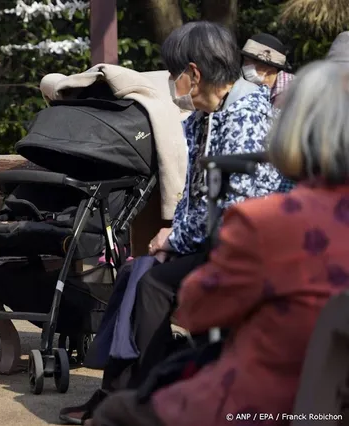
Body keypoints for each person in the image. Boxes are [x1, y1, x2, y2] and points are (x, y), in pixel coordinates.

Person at [89, 59, 349, 426]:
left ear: (295, 128)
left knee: (114, 415)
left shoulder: (269, 224)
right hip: (333, 406)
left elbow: (199, 311)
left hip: (264, 403)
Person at [59, 21, 282, 425]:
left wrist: (175, 237)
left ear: (194, 73)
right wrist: (170, 236)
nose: (171, 83)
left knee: (153, 285)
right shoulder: (205, 114)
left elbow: (235, 207)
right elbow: (192, 197)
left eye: (174, 73)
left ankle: (152, 388)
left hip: (247, 247)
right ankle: (123, 390)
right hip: (213, 241)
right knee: (135, 273)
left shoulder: (246, 115)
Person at [241, 33, 295, 109]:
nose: (244, 66)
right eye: (244, 61)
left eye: (247, 61)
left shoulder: (294, 90)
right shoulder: (251, 89)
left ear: (268, 68)